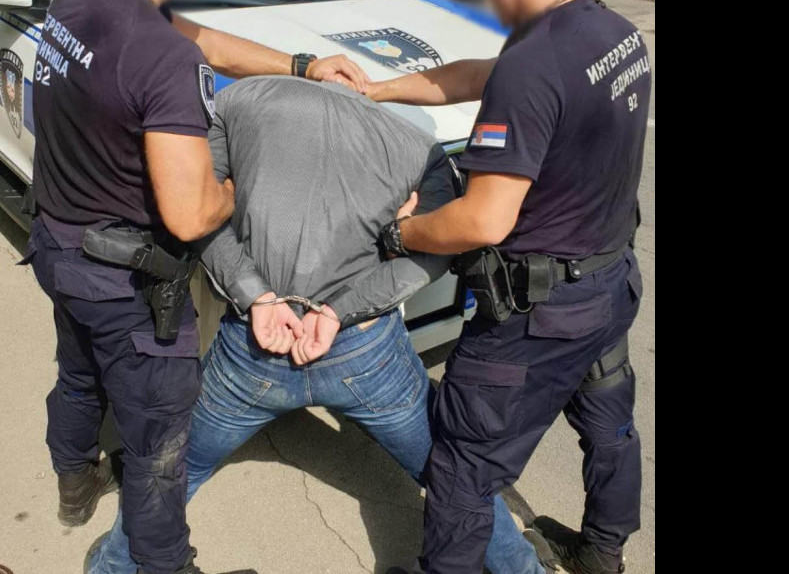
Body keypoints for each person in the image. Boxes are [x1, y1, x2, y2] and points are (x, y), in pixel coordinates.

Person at [24, 0, 370, 572]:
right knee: (158, 447)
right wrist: (242, 183)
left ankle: (74, 479)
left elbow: (195, 38)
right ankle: (166, 563)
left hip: (60, 246)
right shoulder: (161, 58)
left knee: (78, 373)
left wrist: (301, 65)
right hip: (127, 285)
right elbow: (190, 215)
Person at [86, 76, 548, 574]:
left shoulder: (236, 102)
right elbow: (436, 254)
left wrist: (256, 295)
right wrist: (338, 311)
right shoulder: (421, 151)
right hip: (366, 351)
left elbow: (195, 214)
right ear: (361, 85)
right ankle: (523, 569)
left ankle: (114, 566)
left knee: (177, 464)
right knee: (453, 473)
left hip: (254, 346)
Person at [368, 0, 652, 573]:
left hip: (538, 319)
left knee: (463, 464)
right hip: (609, 282)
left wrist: (398, 233)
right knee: (608, 419)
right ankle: (603, 552)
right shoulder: (611, 31)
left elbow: (482, 221)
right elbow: (486, 75)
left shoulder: (534, 62)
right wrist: (378, 89)